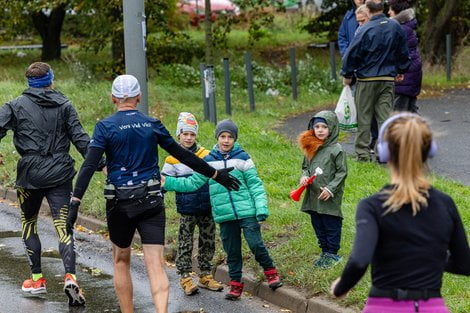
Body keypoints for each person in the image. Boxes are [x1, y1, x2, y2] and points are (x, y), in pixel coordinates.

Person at [69, 75, 240, 313]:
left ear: (113, 98)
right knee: (156, 265)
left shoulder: (105, 127)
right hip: (151, 201)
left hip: (120, 203)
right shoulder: (152, 123)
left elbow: (89, 165)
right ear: (139, 98)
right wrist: (215, 174)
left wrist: (75, 201)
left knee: (120, 261)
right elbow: (184, 155)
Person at [330, 113, 470, 312]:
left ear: (384, 151)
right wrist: (428, 255)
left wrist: (340, 287)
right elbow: (465, 264)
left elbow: (360, 260)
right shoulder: (445, 204)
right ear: (429, 150)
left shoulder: (372, 206)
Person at [0, 62, 92, 306]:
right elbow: (81, 138)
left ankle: (37, 280)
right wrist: (101, 162)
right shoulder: (65, 105)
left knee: (29, 223)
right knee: (63, 227)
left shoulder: (15, 105)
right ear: (51, 79)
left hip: (29, 175)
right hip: (60, 173)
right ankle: (70, 277)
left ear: (29, 82)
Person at [163, 119, 282, 301]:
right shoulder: (209, 161)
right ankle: (235, 284)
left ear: (235, 139)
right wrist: (168, 182)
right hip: (224, 215)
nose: (226, 141)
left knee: (256, 244)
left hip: (247, 211)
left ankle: (271, 272)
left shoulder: (242, 157)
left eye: (230, 137)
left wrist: (261, 208)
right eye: (222, 136)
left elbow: (255, 185)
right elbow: (192, 183)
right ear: (217, 137)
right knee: (232, 251)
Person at [161, 112, 223, 296]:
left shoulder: (206, 155)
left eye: (192, 134)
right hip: (187, 209)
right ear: (178, 135)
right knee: (185, 242)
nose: (188, 138)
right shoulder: (172, 159)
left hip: (207, 207)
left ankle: (205, 275)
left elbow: (215, 176)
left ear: (196, 135)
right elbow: (163, 182)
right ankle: (185, 277)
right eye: (185, 134)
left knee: (208, 241)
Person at [341, 0, 411, 162]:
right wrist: (401, 70)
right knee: (384, 117)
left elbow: (352, 54)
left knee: (364, 117)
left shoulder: (364, 29)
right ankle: (384, 153)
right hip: (387, 79)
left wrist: (347, 74)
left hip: (367, 79)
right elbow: (403, 51)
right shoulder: (395, 27)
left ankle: (362, 153)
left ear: (369, 11)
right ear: (383, 8)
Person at [297, 111, 347, 268]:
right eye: (316, 126)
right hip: (313, 193)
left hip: (329, 195)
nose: (320, 130)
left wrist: (331, 189)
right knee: (317, 222)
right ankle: (324, 251)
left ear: (331, 128)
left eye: (324, 127)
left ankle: (333, 253)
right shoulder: (311, 146)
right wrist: (304, 177)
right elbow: (306, 167)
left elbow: (342, 172)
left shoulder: (337, 149)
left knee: (330, 222)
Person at [388, 0, 423, 113]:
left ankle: (420, 130)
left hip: (403, 76)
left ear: (397, 11)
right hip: (412, 73)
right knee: (411, 111)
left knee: (399, 115)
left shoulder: (399, 29)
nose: (388, 12)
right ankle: (421, 130)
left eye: (390, 9)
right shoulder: (407, 26)